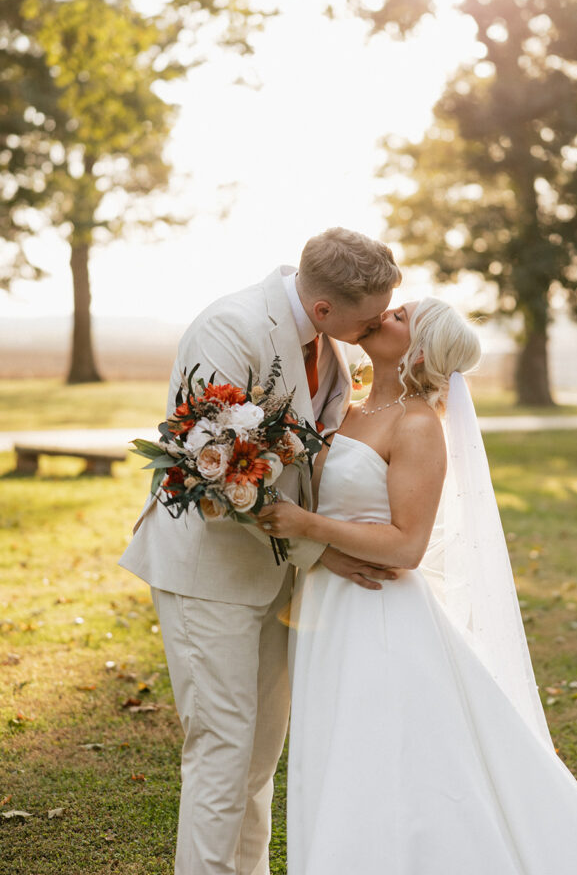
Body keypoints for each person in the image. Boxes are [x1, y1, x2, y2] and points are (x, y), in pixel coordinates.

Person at [259, 297, 577, 875]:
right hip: (330, 603)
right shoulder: (350, 406)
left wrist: (307, 527)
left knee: (377, 757)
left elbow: (407, 547)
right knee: (338, 750)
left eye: (398, 317)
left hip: (380, 616)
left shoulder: (418, 424)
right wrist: (317, 547)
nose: (383, 315)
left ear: (416, 351)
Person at [118, 228, 402, 875]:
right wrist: (318, 551)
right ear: (325, 309)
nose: (381, 322)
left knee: (257, 756)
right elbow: (215, 472)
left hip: (277, 576)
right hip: (208, 570)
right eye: (374, 315)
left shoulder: (327, 342)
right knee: (222, 746)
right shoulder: (230, 328)